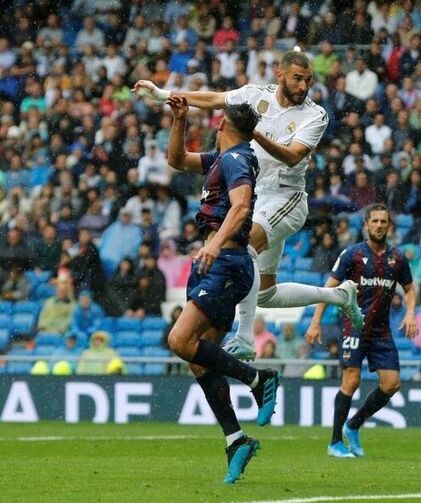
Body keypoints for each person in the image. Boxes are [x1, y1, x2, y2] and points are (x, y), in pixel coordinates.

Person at [134, 51, 363, 362]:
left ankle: (244, 336)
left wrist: (255, 133)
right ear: (280, 74)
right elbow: (215, 99)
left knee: (241, 249)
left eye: (308, 80)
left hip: (286, 198)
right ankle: (338, 295)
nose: (303, 85)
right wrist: (163, 95)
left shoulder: (315, 115)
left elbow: (293, 156)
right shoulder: (255, 95)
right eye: (297, 78)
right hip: (257, 197)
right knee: (266, 293)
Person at [162, 94, 278, 484]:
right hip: (215, 264)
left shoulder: (236, 158)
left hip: (225, 263)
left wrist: (213, 243)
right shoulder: (221, 158)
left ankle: (258, 379)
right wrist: (178, 120)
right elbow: (176, 161)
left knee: (179, 340)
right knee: (199, 358)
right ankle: (236, 440)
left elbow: (242, 207)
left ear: (224, 124)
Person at [305, 204, 418, 458]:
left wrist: (410, 313)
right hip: (354, 327)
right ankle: (335, 442)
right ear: (366, 224)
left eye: (384, 221)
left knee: (391, 384)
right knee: (351, 380)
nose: (379, 225)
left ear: (389, 226)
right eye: (375, 221)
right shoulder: (352, 255)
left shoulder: (397, 258)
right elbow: (328, 289)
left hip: (381, 331)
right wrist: (315, 322)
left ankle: (353, 424)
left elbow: (410, 289)